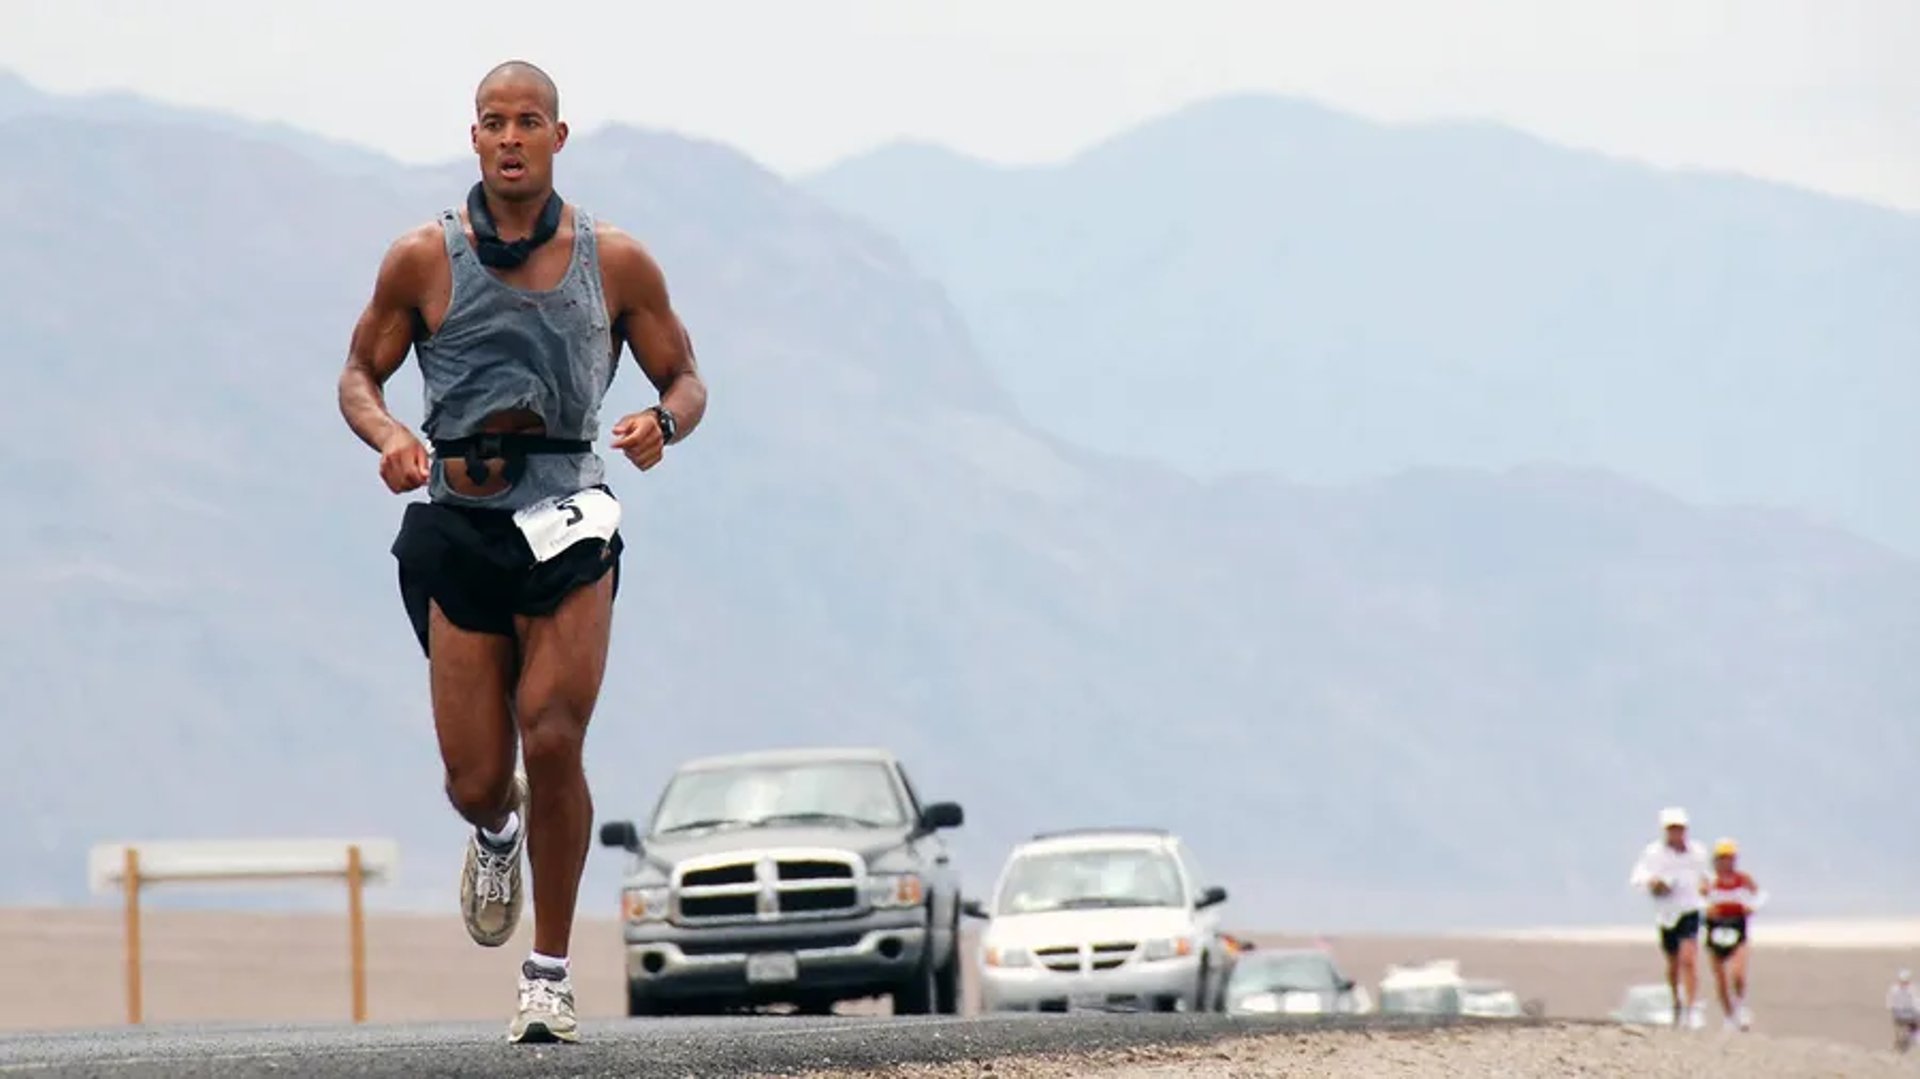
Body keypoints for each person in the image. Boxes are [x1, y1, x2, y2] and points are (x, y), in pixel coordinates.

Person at [336, 59, 707, 1044]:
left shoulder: (615, 261)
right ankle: (496, 830)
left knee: (554, 733)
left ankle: (547, 972)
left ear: (557, 136)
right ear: (474, 138)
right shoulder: (421, 258)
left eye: (528, 121)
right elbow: (358, 374)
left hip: (571, 512)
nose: (510, 137)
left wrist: (660, 423)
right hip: (460, 517)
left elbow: (686, 377)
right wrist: (390, 438)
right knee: (474, 774)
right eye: (494, 121)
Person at [1627, 806, 1711, 1029]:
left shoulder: (1697, 853)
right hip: (1667, 913)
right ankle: (1677, 999)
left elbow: (1706, 877)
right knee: (1673, 964)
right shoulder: (1654, 853)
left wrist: (1705, 887)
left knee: (1688, 959)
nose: (1677, 833)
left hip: (1690, 909)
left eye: (1680, 829)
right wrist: (1654, 883)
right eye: (1672, 829)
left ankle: (1691, 1009)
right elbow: (1639, 877)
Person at [1701, 837, 1766, 1031]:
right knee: (1720, 978)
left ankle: (1740, 1006)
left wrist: (1751, 907)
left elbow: (1760, 895)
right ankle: (1729, 1016)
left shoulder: (1742, 879)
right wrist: (1707, 908)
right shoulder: (1709, 881)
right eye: (1722, 858)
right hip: (1715, 928)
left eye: (1729, 858)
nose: (1726, 862)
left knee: (1737, 973)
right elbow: (1696, 899)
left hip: (1737, 927)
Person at [1892, 970, 1919, 1054]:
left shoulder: (1894, 988)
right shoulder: (1913, 989)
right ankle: (1916, 1042)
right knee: (1915, 1027)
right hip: (1909, 1016)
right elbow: (1916, 1003)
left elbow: (1891, 1004)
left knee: (1898, 1030)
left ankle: (1898, 1046)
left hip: (1898, 1015)